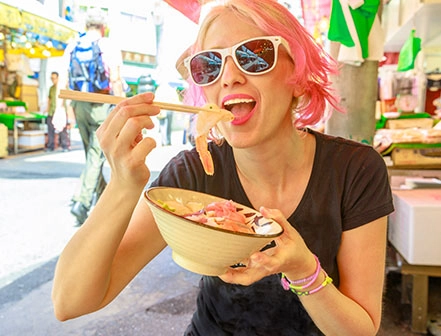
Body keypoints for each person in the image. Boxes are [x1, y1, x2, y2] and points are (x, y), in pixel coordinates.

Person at [52, 1, 394, 335]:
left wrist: (305, 271)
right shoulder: (194, 174)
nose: (229, 77)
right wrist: (123, 185)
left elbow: (361, 328)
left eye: (254, 55)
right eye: (209, 64)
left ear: (300, 77)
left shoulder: (356, 170)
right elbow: (71, 301)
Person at [62, 9, 125, 225]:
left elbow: (65, 78)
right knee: (96, 156)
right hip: (101, 103)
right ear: (103, 27)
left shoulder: (73, 45)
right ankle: (81, 202)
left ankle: (102, 195)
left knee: (91, 155)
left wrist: (63, 108)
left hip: (78, 103)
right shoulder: (108, 45)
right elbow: (115, 79)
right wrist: (123, 106)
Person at [45, 71, 70, 152]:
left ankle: (65, 146)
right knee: (50, 130)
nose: (53, 80)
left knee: (63, 129)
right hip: (52, 111)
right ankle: (50, 146)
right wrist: (47, 109)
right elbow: (49, 99)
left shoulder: (62, 88)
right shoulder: (51, 88)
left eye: (54, 78)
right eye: (51, 78)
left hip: (60, 111)